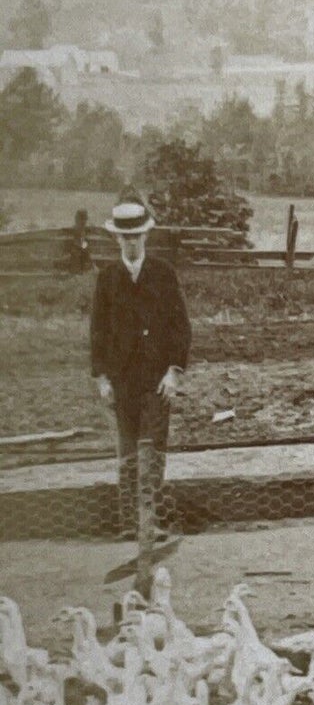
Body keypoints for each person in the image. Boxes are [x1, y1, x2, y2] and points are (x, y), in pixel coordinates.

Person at [89, 188, 190, 548]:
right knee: (127, 451)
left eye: (136, 237)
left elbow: (180, 326)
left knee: (153, 450)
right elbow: (98, 330)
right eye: (124, 238)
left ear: (146, 235)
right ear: (116, 238)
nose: (130, 244)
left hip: (157, 381)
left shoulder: (163, 274)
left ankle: (152, 521)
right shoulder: (108, 278)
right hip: (122, 382)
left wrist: (174, 371)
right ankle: (129, 523)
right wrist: (102, 377)